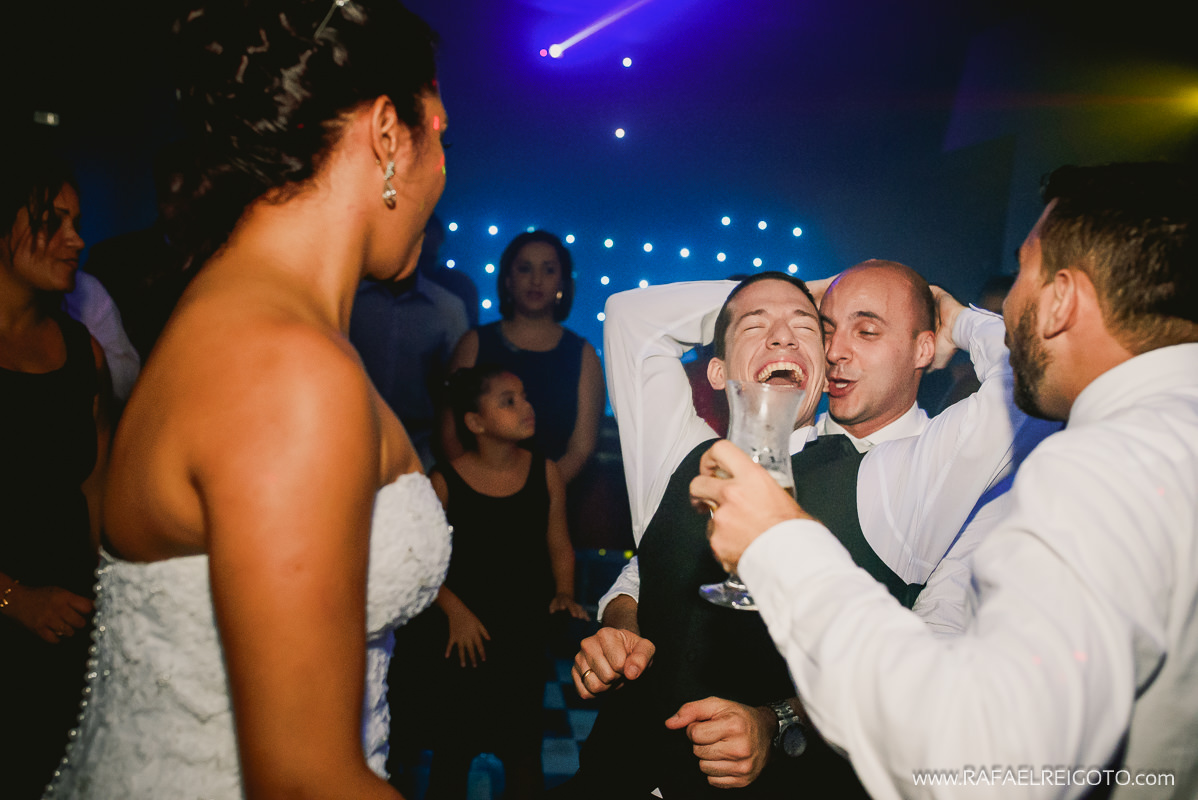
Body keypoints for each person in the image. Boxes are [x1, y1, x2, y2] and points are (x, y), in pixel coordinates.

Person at [43, 2, 452, 798]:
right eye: (445, 135)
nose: (447, 171)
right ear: (388, 135)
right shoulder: (286, 368)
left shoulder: (245, 318)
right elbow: (302, 780)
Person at [696, 162, 1198, 799]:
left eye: (1022, 273)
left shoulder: (1103, 465)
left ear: (1063, 299)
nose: (1008, 303)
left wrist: (781, 545)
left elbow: (986, 763)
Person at [556, 261, 1049, 798]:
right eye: (828, 327)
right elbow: (632, 318)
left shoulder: (904, 475)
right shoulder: (690, 452)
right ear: (718, 371)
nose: (834, 349)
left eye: (863, 329)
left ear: (923, 350)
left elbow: (919, 673)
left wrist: (961, 320)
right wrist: (794, 298)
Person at [406, 364, 588, 799]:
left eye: (524, 396)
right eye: (508, 400)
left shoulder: (545, 472)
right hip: (461, 642)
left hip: (521, 639)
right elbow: (419, 565)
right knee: (452, 757)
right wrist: (455, 611)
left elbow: (559, 542)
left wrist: (564, 591)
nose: (525, 406)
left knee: (523, 755)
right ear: (475, 422)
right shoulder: (444, 481)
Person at [0, 151, 111, 799]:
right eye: (52, 221)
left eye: (78, 221)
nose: (77, 238)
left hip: (66, 624)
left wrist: (104, 592)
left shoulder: (82, 352)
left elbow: (93, 481)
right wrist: (15, 598)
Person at [444, 230, 604, 484]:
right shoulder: (473, 343)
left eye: (549, 270)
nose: (536, 280)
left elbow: (581, 449)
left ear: (563, 282)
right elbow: (449, 433)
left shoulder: (583, 354)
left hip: (555, 499)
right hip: (472, 499)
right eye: (525, 268)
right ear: (507, 279)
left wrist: (535, 495)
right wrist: (482, 490)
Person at [350, 215, 470, 471]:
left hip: (421, 447)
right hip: (347, 438)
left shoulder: (448, 308)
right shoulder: (349, 296)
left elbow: (461, 390)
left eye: (429, 250)